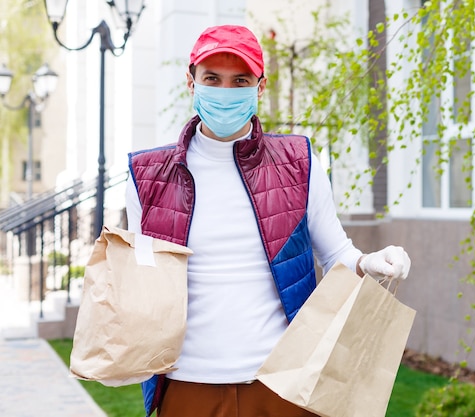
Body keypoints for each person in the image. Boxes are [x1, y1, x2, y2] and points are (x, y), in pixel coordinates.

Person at [125, 24, 411, 417]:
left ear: (260, 87)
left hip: (284, 383)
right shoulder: (146, 175)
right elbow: (146, 284)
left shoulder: (299, 163)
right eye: (212, 79)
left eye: (239, 80)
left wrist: (370, 262)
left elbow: (337, 254)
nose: (225, 92)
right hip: (187, 385)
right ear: (191, 83)